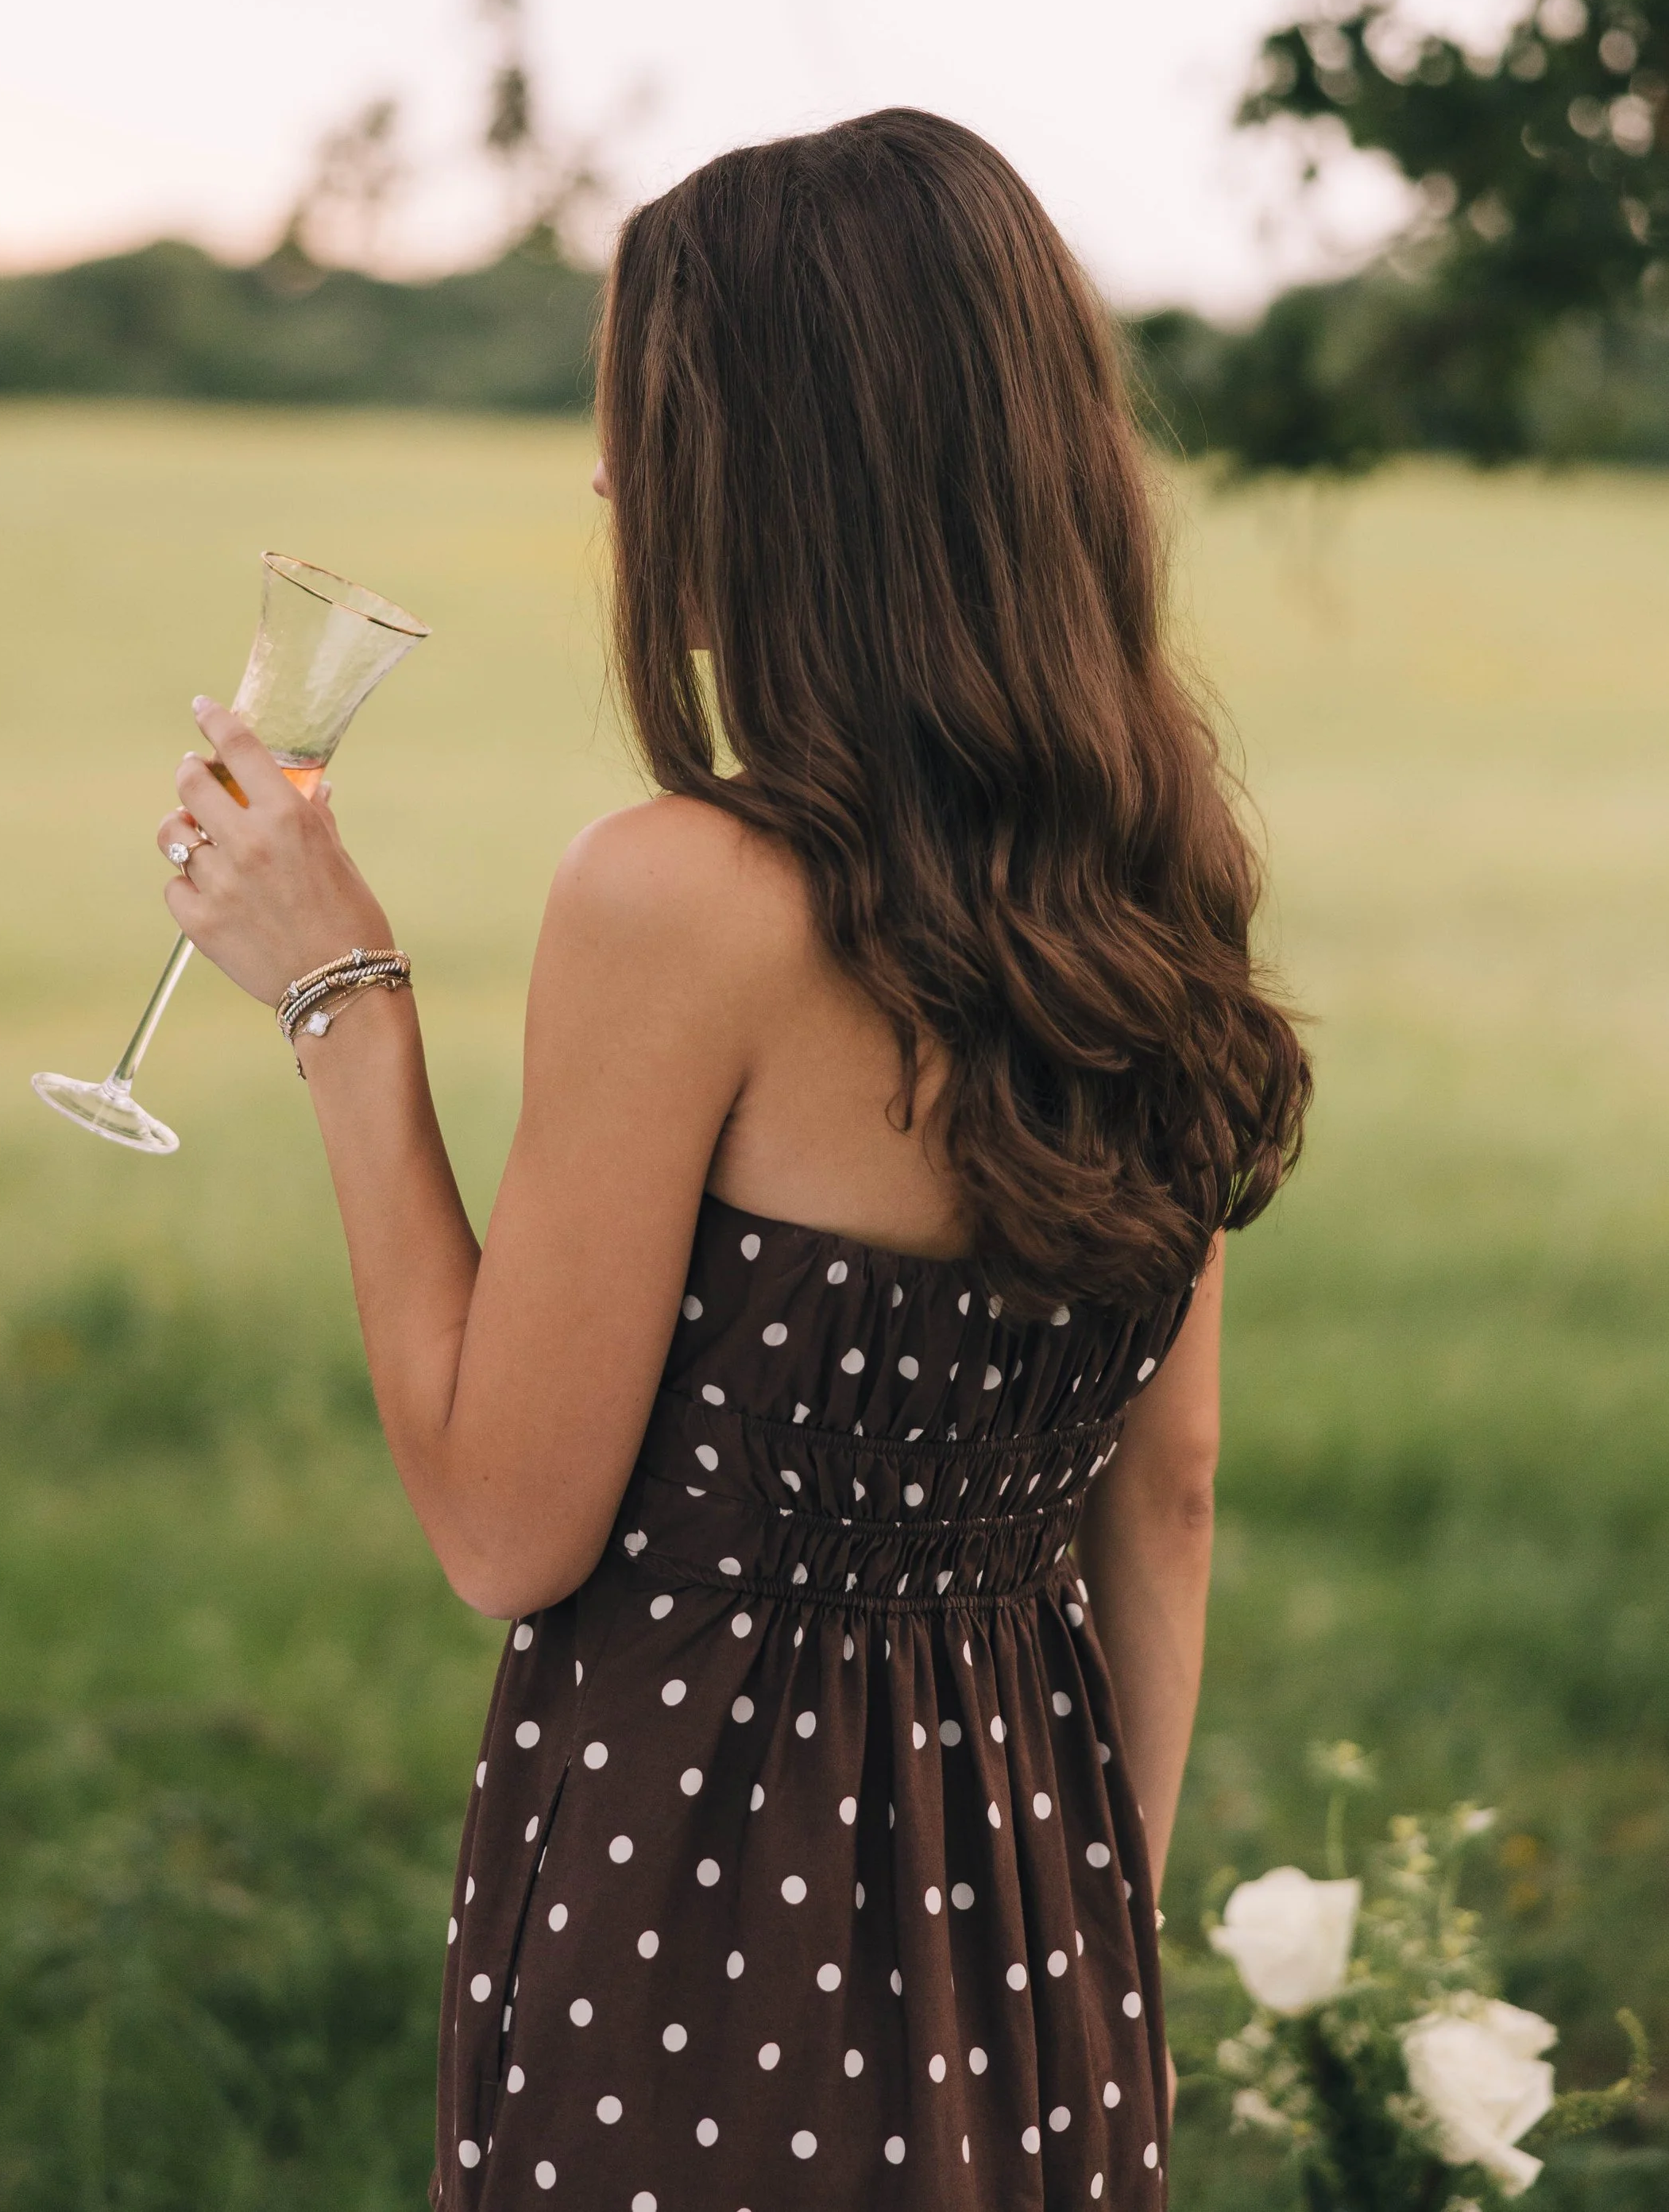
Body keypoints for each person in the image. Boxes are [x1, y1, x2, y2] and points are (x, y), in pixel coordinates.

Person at [159, 107, 1309, 2208]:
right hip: (1038, 1937)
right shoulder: (1155, 888)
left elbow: (508, 1525)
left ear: (787, 464)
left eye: (642, 414)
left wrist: (344, 1003)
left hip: (693, 1927)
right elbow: (1169, 1485)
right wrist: (1085, 1959)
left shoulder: (678, 899)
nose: (607, 473)